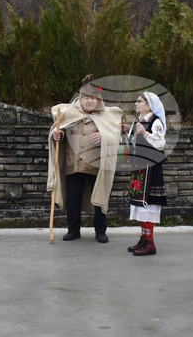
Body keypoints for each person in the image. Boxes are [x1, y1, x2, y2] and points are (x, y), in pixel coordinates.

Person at [48, 75, 123, 243]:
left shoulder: (106, 115)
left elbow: (115, 135)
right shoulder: (68, 113)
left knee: (100, 198)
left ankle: (100, 231)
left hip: (97, 165)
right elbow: (57, 133)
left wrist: (104, 136)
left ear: (98, 99)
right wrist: (56, 135)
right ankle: (73, 230)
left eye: (93, 98)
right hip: (73, 163)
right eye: (86, 98)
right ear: (80, 98)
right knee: (73, 198)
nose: (90, 101)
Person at [124, 91, 168, 256]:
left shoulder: (155, 122)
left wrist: (144, 132)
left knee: (148, 203)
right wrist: (125, 133)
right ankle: (144, 238)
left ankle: (150, 242)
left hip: (151, 168)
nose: (136, 104)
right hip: (139, 167)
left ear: (149, 105)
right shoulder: (138, 121)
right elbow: (133, 144)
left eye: (139, 101)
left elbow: (160, 142)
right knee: (140, 204)